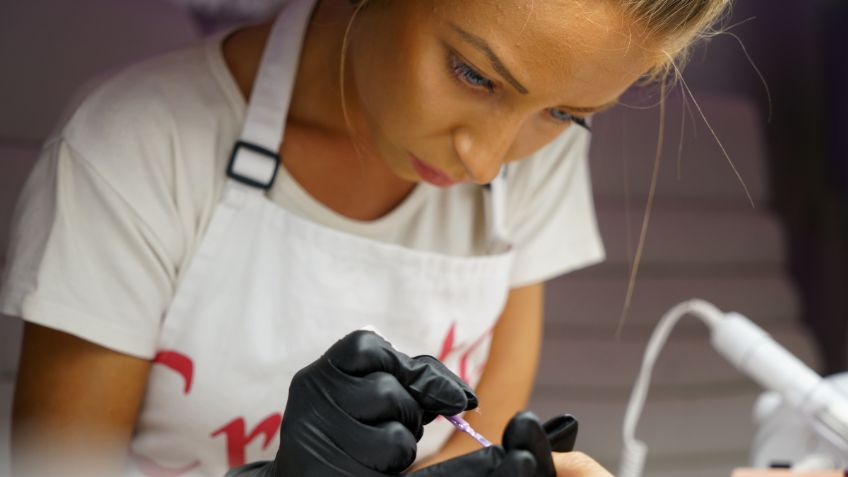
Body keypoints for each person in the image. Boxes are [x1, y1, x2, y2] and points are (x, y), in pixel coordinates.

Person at [0, 0, 731, 475]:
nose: (484, 160)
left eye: (566, 112)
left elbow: (484, 421)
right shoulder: (134, 148)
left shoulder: (539, 160)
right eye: (475, 74)